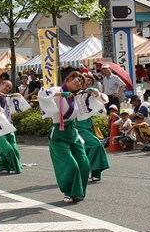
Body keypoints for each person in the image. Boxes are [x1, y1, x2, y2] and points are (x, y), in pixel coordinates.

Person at [38, 71, 91, 203]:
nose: (78, 81)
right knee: (70, 165)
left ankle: (78, 192)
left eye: (80, 81)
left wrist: (94, 92)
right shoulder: (57, 89)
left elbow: (97, 102)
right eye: (76, 78)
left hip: (72, 131)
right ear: (68, 79)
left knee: (84, 164)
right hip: (59, 132)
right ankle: (69, 191)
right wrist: (60, 94)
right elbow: (42, 94)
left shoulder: (77, 96)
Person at [76, 73, 110, 182]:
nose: (87, 82)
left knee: (90, 147)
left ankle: (95, 172)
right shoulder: (74, 92)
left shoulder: (90, 92)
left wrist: (95, 93)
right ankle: (85, 171)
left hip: (87, 125)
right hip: (77, 126)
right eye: (85, 80)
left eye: (90, 81)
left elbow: (102, 100)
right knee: (95, 145)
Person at [0, 80, 24, 174]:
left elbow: (19, 106)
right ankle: (16, 168)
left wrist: (18, 96)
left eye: (10, 87)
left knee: (15, 150)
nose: (8, 88)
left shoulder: (10, 98)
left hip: (8, 125)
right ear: (1, 84)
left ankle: (0, 167)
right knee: (7, 149)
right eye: (6, 85)